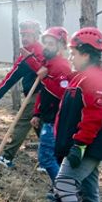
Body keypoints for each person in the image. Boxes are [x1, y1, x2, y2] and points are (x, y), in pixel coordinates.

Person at [44, 28, 102, 202]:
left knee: (64, 182)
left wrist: (79, 145)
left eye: (74, 53)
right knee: (88, 187)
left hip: (88, 145)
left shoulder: (97, 79)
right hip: (84, 143)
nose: (71, 57)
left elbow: (94, 117)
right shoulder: (83, 77)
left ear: (86, 54)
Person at [0, 20, 44, 168]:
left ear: (36, 35)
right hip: (42, 96)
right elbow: (11, 77)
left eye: (29, 35)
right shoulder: (31, 51)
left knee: (22, 123)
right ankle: (50, 160)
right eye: (23, 35)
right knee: (41, 128)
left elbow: (11, 78)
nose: (25, 38)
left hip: (38, 95)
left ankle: (7, 157)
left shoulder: (35, 53)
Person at [31, 27, 72, 188]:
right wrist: (36, 113)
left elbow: (63, 93)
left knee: (46, 158)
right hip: (47, 118)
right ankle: (61, 190)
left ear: (61, 45)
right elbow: (43, 92)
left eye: (51, 43)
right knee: (52, 158)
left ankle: (63, 191)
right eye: (45, 43)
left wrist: (45, 77)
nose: (46, 47)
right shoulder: (48, 63)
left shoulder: (62, 66)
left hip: (56, 121)